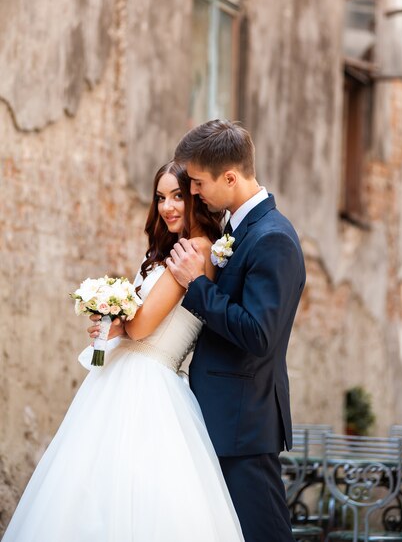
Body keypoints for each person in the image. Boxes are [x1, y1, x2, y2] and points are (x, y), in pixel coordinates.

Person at [3, 162, 244, 542]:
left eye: (178, 196)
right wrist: (113, 318)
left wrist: (120, 320)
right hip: (123, 374)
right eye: (161, 197)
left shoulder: (197, 250)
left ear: (196, 198)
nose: (168, 207)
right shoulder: (165, 252)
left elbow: (144, 325)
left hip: (151, 380)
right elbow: (138, 318)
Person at [166, 119, 306, 542]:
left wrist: (198, 285)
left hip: (243, 423)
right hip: (223, 416)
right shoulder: (239, 229)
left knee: (265, 534)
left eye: (197, 182)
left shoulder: (273, 238)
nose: (192, 192)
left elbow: (259, 334)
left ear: (230, 176)